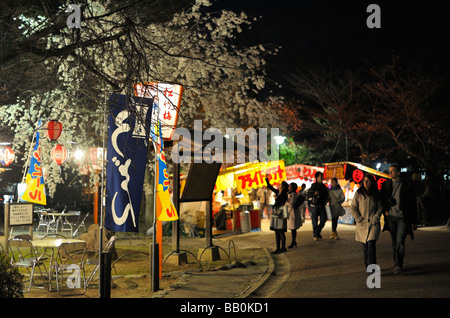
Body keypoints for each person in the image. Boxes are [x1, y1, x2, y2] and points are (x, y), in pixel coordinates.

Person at [380, 164, 418, 274]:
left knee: (400, 241)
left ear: (398, 172)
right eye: (389, 171)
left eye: (392, 171)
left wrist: (415, 221)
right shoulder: (386, 185)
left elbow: (412, 203)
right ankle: (396, 262)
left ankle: (398, 265)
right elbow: (382, 199)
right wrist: (385, 211)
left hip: (403, 217)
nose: (390, 173)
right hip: (391, 217)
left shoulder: (407, 185)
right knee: (393, 242)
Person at [350, 174, 383, 268]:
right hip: (362, 223)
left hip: (373, 223)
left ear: (372, 182)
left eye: (368, 181)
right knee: (365, 247)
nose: (366, 182)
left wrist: (376, 217)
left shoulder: (376, 193)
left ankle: (372, 267)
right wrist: (358, 218)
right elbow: (353, 207)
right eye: (364, 180)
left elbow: (380, 208)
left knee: (371, 244)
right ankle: (367, 265)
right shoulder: (359, 193)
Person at [265, 177, 289, 254]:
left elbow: (281, 201)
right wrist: (267, 180)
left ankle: (283, 248)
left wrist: (277, 197)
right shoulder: (279, 192)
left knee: (281, 231)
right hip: (276, 213)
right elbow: (270, 187)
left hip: (281, 213)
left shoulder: (284, 194)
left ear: (283, 187)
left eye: (280, 185)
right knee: (276, 231)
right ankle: (278, 248)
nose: (278, 185)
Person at [306, 171, 329, 241]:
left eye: (322, 176)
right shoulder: (313, 185)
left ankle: (317, 232)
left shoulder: (324, 186)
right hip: (314, 205)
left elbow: (326, 195)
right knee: (314, 220)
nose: (322, 177)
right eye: (320, 176)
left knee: (323, 219)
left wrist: (326, 200)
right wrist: (314, 193)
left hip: (322, 205)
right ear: (316, 177)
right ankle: (315, 234)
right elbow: (308, 194)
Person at [286, 182, 302, 248]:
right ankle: (293, 241)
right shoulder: (289, 194)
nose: (288, 187)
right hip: (289, 211)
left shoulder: (294, 194)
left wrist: (286, 202)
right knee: (292, 228)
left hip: (293, 212)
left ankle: (293, 241)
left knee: (293, 228)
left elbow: (291, 203)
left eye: (290, 186)